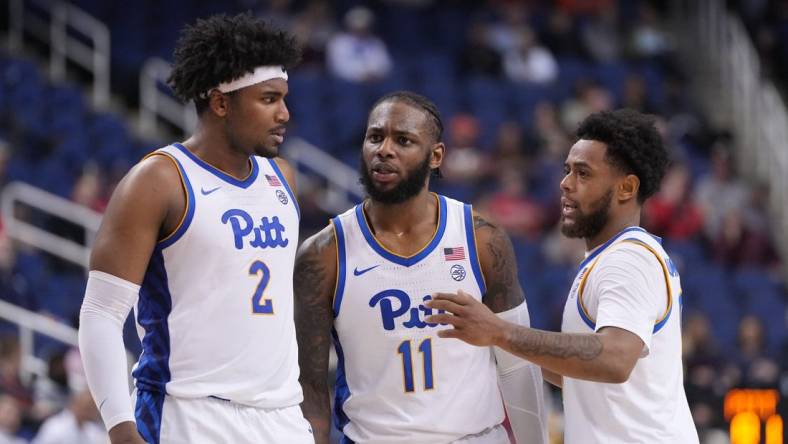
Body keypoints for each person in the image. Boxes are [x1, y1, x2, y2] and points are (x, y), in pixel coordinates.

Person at [78, 13, 313, 444]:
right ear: (221, 103)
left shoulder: (282, 177)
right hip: (189, 414)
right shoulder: (157, 180)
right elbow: (101, 314)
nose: (284, 113)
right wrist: (120, 429)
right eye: (268, 99)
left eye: (283, 98)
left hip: (281, 416)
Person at [427, 109, 699, 444]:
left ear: (626, 188)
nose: (565, 184)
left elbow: (614, 359)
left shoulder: (628, 260)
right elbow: (589, 379)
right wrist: (497, 347)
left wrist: (500, 332)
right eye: (567, 170)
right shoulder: (612, 258)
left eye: (583, 174)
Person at [294, 91, 547, 444]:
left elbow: (517, 362)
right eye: (375, 137)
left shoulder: (480, 238)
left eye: (404, 140)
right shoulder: (323, 254)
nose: (384, 149)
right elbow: (310, 388)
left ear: (436, 155)